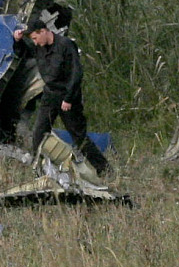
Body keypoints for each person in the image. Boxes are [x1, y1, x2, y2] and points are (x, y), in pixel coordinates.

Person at [12, 15, 111, 178]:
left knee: (79, 137)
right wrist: (18, 41)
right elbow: (25, 53)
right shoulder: (38, 46)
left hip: (67, 97)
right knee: (39, 133)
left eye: (36, 38)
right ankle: (38, 170)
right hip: (50, 96)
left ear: (43, 31)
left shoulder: (66, 45)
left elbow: (76, 74)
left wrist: (69, 99)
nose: (36, 42)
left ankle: (104, 169)